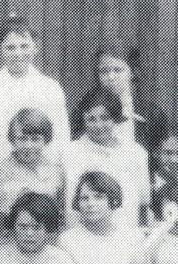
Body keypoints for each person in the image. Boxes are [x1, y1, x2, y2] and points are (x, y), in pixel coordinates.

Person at [0, 14, 70, 165]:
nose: (18, 54)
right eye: (10, 48)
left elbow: (61, 140)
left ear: (35, 48)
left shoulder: (50, 88)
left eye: (24, 46)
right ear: (1, 50)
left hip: (40, 175)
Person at [62, 90, 152, 229]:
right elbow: (67, 203)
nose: (98, 125)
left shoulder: (135, 153)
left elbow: (143, 201)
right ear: (83, 120)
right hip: (82, 237)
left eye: (105, 118)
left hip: (124, 235)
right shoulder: (70, 153)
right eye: (91, 119)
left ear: (115, 118)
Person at [0, 108, 64, 240]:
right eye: (22, 139)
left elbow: (61, 218)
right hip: (10, 245)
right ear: (12, 140)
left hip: (47, 245)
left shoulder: (56, 172)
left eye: (35, 139)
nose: (28, 145)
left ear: (46, 140)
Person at [82, 42, 167, 149]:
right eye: (104, 71)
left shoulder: (151, 114)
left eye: (118, 70)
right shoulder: (85, 110)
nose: (111, 77)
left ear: (132, 72)